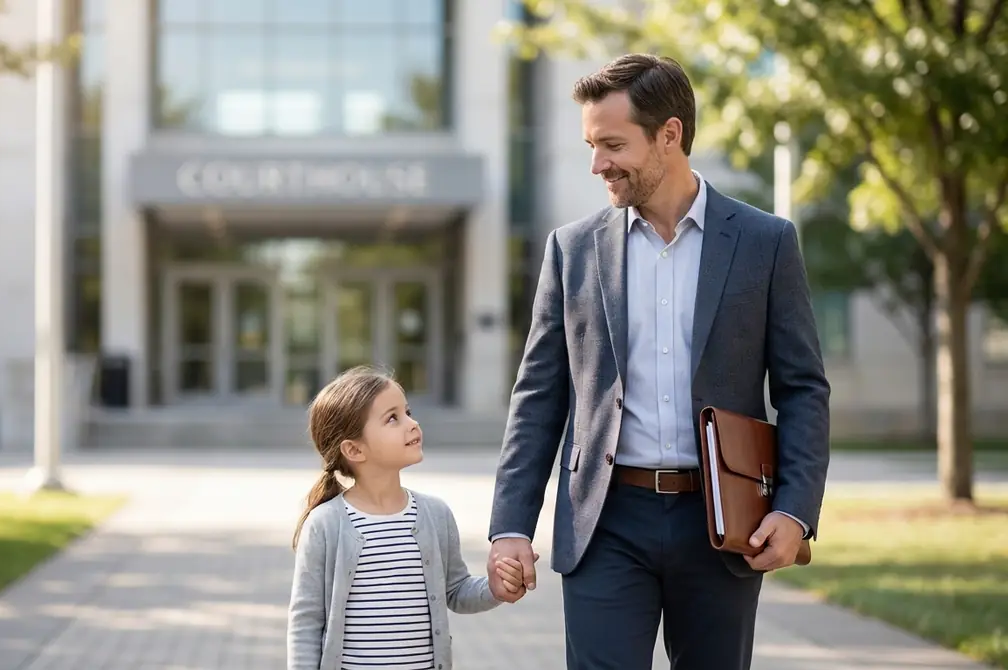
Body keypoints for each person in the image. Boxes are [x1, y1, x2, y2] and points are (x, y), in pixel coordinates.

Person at [486, 54, 831, 669]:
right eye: (591, 145)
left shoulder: (765, 242)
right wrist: (510, 524)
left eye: (612, 144)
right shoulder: (572, 249)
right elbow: (539, 395)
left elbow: (803, 388)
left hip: (724, 523)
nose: (597, 164)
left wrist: (795, 510)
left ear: (669, 135)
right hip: (605, 522)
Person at [288, 365, 531, 670]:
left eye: (408, 412)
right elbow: (305, 622)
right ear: (354, 449)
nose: (412, 424)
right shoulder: (325, 524)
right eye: (393, 418)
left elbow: (456, 591)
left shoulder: (434, 515)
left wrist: (494, 589)